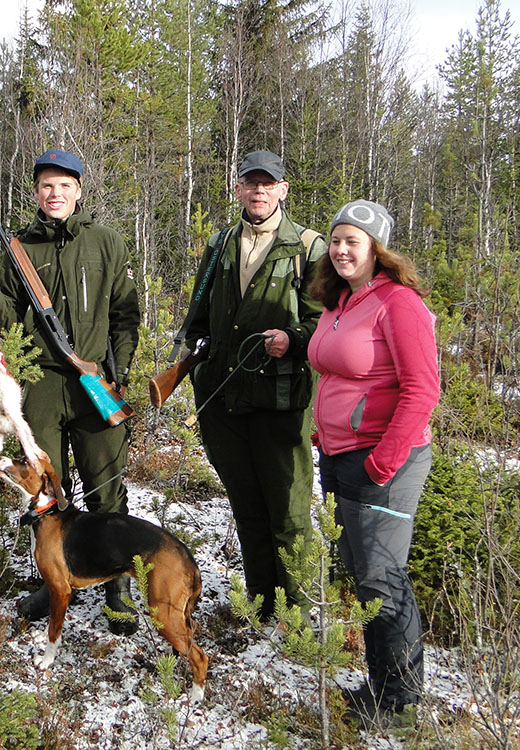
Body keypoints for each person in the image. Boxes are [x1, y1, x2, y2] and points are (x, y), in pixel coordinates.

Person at [0, 149, 141, 634]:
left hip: (94, 384)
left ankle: (116, 583)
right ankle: (51, 577)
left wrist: (117, 373)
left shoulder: (106, 242)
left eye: (64, 185)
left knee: (107, 486)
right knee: (46, 488)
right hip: (39, 384)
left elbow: (126, 313)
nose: (55, 193)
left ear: (79, 191)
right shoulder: (20, 247)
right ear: (36, 192)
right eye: (46, 185)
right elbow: (4, 316)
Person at [308, 200, 439, 727]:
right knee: (366, 576)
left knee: (383, 579)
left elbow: (422, 390)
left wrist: (382, 463)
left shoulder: (398, 303)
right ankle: (380, 682)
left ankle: (400, 702)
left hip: (383, 461)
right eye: (336, 241)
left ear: (376, 250)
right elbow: (338, 374)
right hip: (340, 454)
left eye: (352, 242)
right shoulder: (341, 302)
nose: (341, 250)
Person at [182, 150, 326, 620]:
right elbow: (197, 319)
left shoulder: (308, 247)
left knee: (288, 512)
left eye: (268, 183)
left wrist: (295, 339)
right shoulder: (220, 243)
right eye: (251, 182)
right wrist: (196, 369)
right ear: (238, 188)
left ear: (284, 190)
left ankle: (299, 617)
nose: (259, 190)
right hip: (224, 400)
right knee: (246, 505)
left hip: (281, 400)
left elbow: (324, 322)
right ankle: (264, 603)